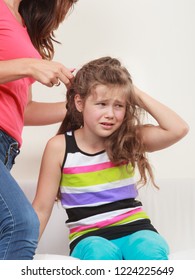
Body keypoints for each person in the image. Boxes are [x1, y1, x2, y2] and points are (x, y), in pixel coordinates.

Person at [33, 56, 189, 260]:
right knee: (99, 254)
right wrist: (21, 256)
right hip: (89, 237)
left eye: (119, 106)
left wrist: (131, 91)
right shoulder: (60, 147)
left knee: (149, 250)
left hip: (137, 230)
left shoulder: (129, 138)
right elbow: (41, 209)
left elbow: (178, 129)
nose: (110, 114)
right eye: (102, 104)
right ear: (79, 103)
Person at [0, 0, 78, 260]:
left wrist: (79, 106)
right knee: (21, 223)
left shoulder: (22, 25)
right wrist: (30, 65)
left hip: (6, 148)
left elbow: (25, 109)